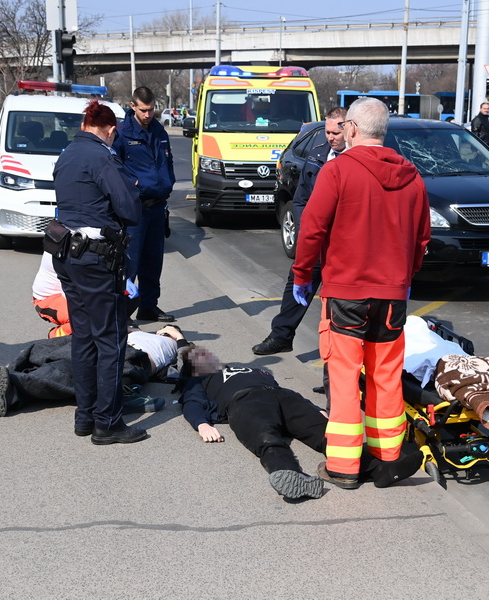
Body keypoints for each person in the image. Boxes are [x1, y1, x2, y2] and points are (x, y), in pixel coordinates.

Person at [291, 97, 431, 489]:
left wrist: (302, 275)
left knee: (344, 377)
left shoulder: (338, 172)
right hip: (392, 295)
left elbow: (312, 230)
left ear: (351, 128)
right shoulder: (413, 177)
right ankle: (387, 460)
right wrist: (402, 278)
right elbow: (422, 240)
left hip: (346, 294)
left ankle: (343, 467)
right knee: (386, 377)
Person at [178, 347, 424, 500]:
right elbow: (191, 402)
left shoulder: (248, 369)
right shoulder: (199, 380)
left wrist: (314, 407)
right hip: (244, 402)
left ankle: (376, 468)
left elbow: (283, 388)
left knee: (324, 433)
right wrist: (202, 424)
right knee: (266, 438)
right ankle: (290, 476)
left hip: (282, 396)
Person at [52, 98, 148, 445]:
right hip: (95, 260)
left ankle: (85, 416)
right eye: (113, 134)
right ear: (109, 130)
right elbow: (129, 209)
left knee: (83, 337)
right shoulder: (102, 157)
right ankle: (108, 423)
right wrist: (132, 191)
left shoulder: (67, 154)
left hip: (66, 255)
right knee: (110, 340)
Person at [252, 107, 348, 356]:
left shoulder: (357, 160)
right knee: (297, 280)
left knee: (339, 306)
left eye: (335, 132)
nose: (330, 137)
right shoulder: (317, 155)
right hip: (316, 238)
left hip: (343, 245)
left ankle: (334, 365)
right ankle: (281, 336)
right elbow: (301, 198)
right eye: (326, 132)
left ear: (349, 128)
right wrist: (309, 227)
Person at [114, 86, 177, 323]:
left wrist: (168, 183)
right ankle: (123, 312)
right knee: (130, 263)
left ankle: (149, 306)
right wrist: (132, 184)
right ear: (133, 106)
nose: (148, 114)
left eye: (151, 110)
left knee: (153, 262)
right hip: (135, 209)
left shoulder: (160, 131)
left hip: (158, 206)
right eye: (143, 110)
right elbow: (113, 167)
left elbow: (166, 163)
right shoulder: (122, 134)